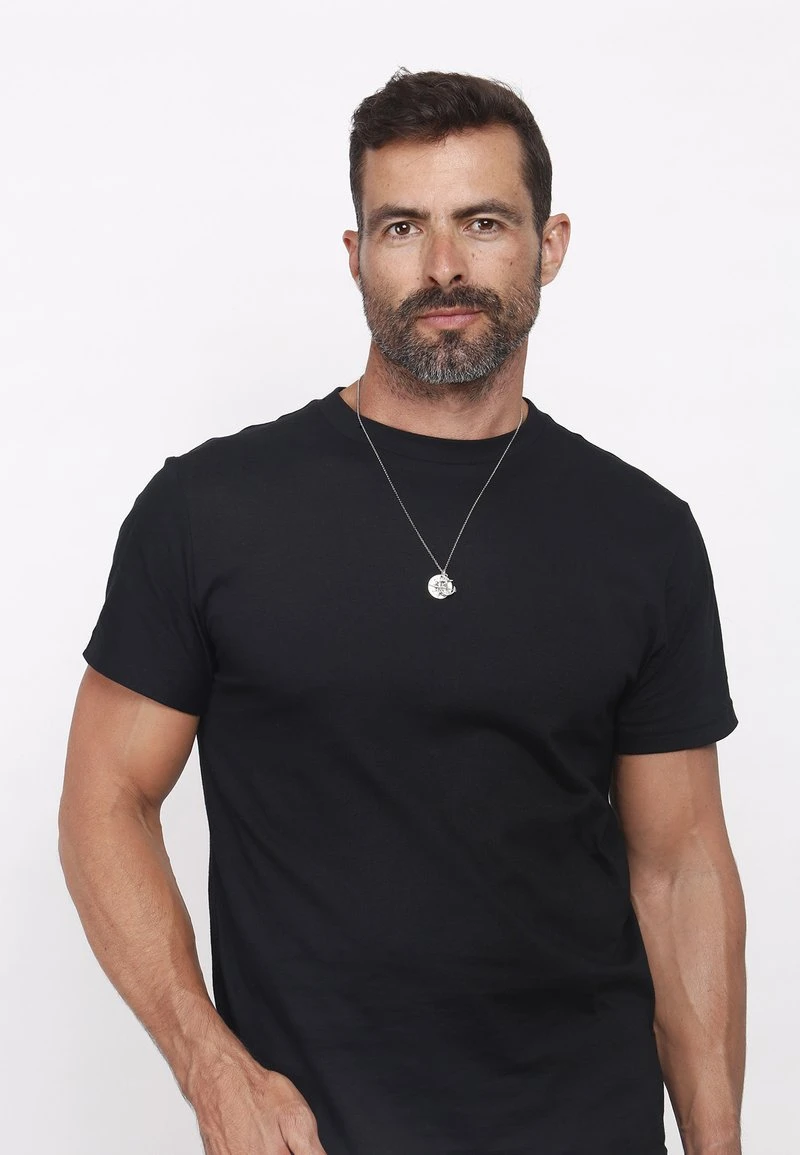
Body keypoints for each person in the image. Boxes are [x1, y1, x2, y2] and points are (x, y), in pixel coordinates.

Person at [58, 68, 746, 1155]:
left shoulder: (642, 533)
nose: (442, 266)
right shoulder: (210, 510)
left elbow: (680, 866)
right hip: (311, 1133)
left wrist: (717, 1142)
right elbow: (104, 798)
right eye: (401, 226)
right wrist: (210, 1067)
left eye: (483, 222)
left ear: (550, 244)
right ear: (354, 254)